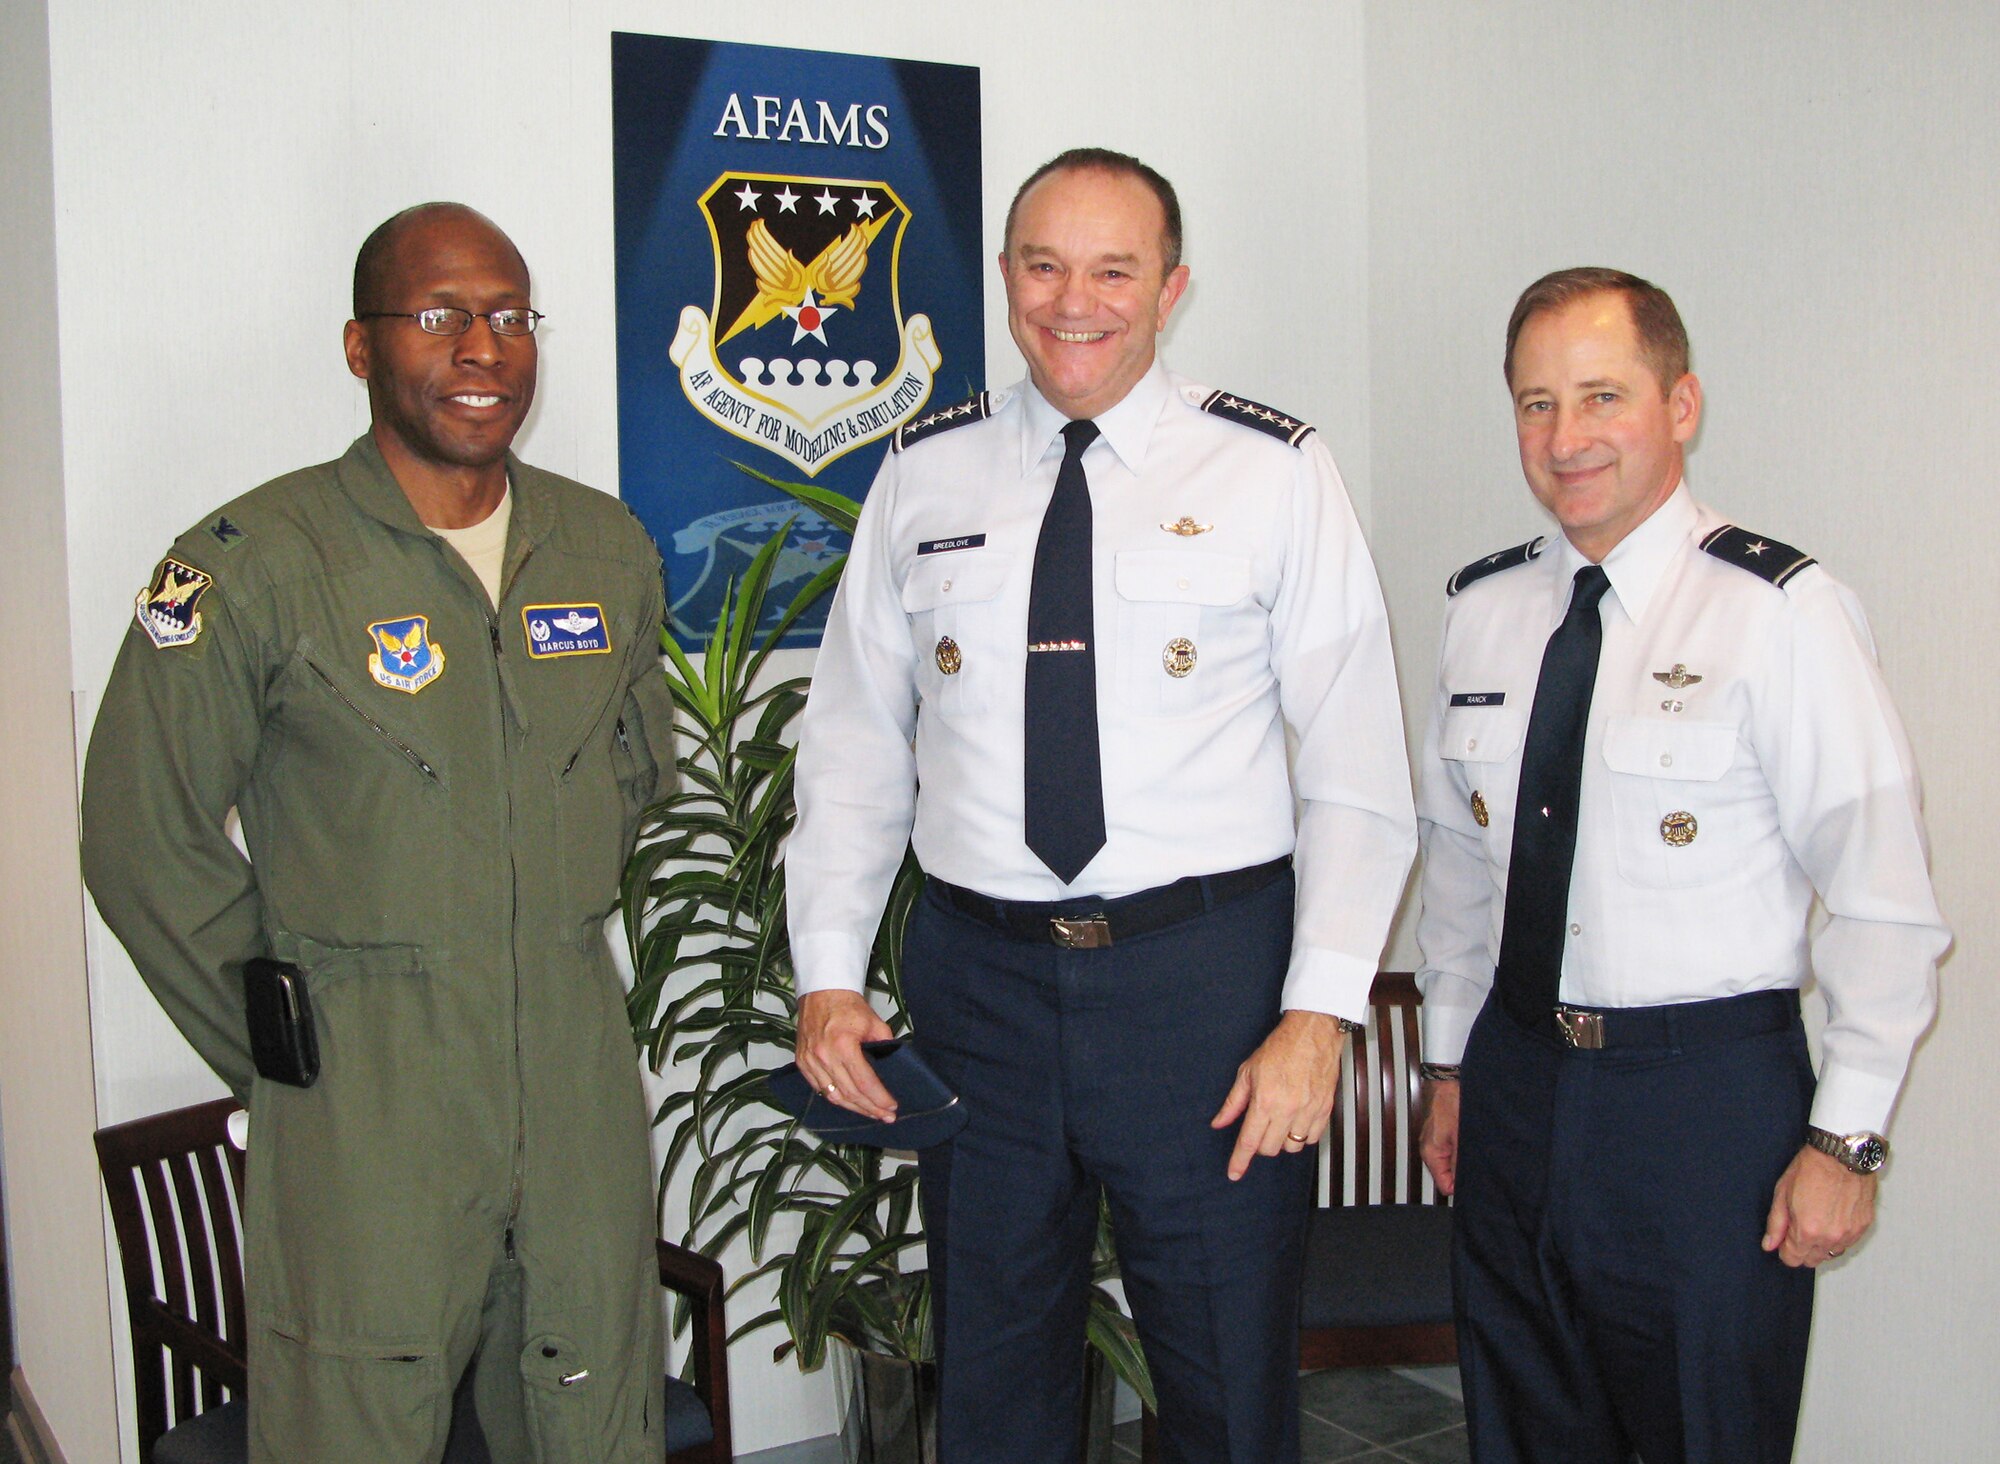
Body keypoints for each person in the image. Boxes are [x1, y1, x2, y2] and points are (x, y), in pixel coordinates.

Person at [786, 148, 1415, 1463]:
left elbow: (1356, 766)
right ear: (1007, 278)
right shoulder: (924, 473)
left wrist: (1318, 1014)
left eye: (1114, 269)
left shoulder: (1273, 472)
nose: (1076, 299)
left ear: (1171, 288)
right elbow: (853, 740)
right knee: (997, 1380)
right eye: (1044, 264)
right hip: (980, 988)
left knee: (1227, 1381)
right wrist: (831, 973)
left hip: (1204, 987)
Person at [81, 203, 677, 1464]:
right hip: (370, 1096)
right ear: (361, 347)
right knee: (356, 1417)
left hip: (572, 1064)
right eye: (441, 315)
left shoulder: (603, 546)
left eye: (510, 317)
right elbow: (140, 838)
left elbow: (636, 774)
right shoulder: (253, 564)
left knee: (596, 1398)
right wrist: (291, 1040)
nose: (483, 347)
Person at [1414, 267, 1948, 1463]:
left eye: (1601, 396)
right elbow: (1457, 865)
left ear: (1681, 404)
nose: (1565, 438)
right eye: (1534, 403)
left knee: (1703, 1435)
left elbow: (1881, 898)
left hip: (1700, 1102)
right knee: (1523, 1429)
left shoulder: (1776, 612)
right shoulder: (1483, 609)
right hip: (1514, 1084)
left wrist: (1844, 1138)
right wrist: (1449, 1062)